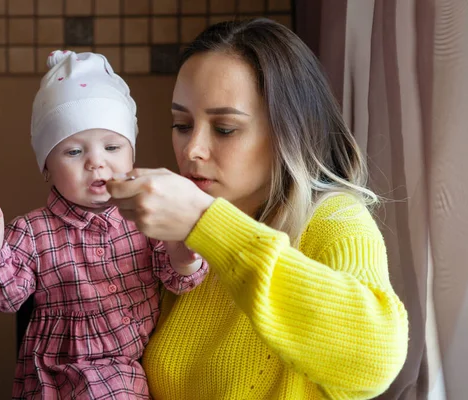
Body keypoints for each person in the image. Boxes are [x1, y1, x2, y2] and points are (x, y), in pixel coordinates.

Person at [105, 18, 409, 399]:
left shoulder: (334, 222)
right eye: (182, 124)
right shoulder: (174, 246)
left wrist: (208, 224)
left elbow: (374, 360)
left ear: (289, 131)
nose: (192, 149)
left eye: (225, 129)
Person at [0, 50, 207, 399]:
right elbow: (3, 298)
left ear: (131, 153)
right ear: (46, 166)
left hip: (127, 366)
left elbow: (179, 278)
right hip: (52, 374)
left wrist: (184, 253)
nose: (96, 163)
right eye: (74, 152)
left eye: (111, 147)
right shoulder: (32, 231)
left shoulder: (146, 214)